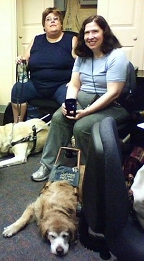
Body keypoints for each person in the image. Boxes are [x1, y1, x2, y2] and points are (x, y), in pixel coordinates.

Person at [31, 15, 130, 182]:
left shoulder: (116, 56)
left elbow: (113, 93)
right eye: (86, 32)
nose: (90, 36)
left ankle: (88, 172)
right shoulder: (82, 56)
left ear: (104, 32)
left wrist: (85, 112)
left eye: (95, 31)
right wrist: (69, 103)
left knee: (81, 126)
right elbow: (74, 85)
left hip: (113, 104)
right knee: (58, 117)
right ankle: (47, 165)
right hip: (86, 98)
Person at [11, 7, 77, 123]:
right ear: (44, 26)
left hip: (60, 86)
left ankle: (70, 131)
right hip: (36, 85)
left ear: (61, 24)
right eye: (48, 19)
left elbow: (79, 62)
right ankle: (18, 126)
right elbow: (25, 60)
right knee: (18, 89)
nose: (52, 21)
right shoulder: (36, 40)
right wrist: (21, 60)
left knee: (71, 98)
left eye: (56, 19)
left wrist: (74, 82)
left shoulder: (71, 39)